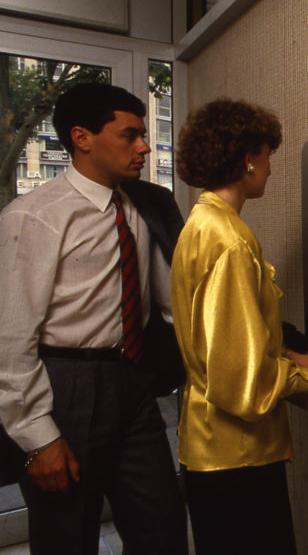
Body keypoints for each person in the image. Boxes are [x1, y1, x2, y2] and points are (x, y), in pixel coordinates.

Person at [0, 82, 188, 554]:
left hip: (132, 383)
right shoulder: (34, 217)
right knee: (66, 535)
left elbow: (176, 305)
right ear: (82, 138)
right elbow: (10, 337)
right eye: (129, 135)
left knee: (161, 528)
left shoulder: (145, 207)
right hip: (64, 386)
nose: (145, 146)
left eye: (144, 134)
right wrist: (37, 437)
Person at [170, 98, 308, 555]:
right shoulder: (231, 242)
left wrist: (297, 356)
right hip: (235, 457)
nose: (272, 169)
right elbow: (241, 381)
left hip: (209, 448)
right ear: (247, 160)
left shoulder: (201, 224)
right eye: (268, 154)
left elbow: (228, 340)